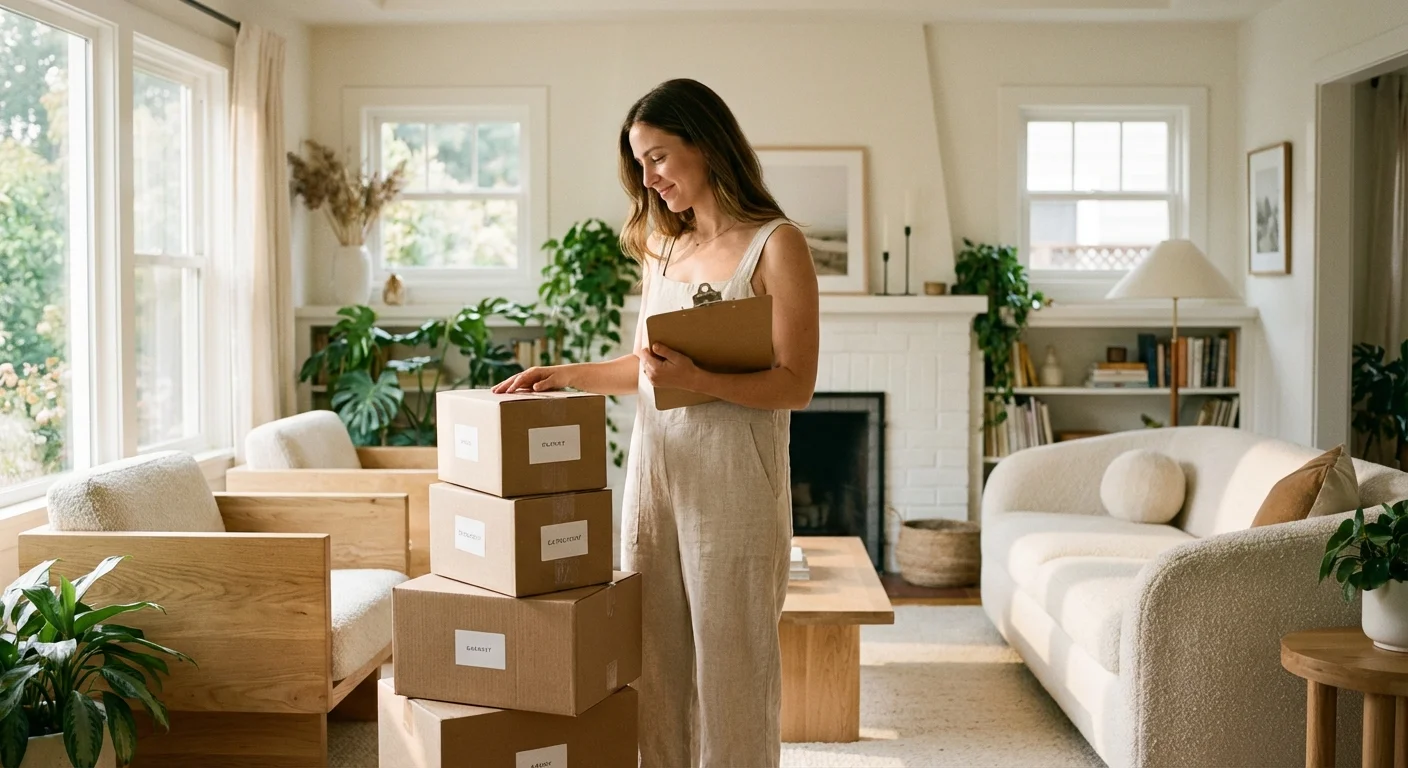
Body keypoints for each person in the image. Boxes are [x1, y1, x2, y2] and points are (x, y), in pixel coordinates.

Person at [492, 78, 820, 767]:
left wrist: (697, 381)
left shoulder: (776, 245)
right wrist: (569, 375)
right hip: (656, 479)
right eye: (640, 163)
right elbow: (649, 368)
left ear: (707, 146)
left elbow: (797, 384)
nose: (649, 178)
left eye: (660, 157)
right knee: (653, 661)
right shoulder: (663, 247)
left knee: (733, 666)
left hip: (736, 486)